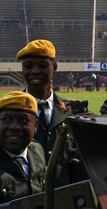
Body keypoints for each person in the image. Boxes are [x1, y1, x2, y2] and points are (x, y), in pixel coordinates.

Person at [16, 39, 86, 185]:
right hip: (27, 199)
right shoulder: (9, 114)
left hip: (66, 196)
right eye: (28, 66)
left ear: (54, 66)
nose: (35, 71)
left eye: (42, 65)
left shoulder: (74, 111)